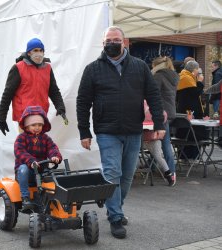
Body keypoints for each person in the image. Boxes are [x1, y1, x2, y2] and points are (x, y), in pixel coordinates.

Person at [76, 26, 165, 239]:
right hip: (107, 130)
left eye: (116, 39)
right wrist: (84, 131)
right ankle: (116, 216)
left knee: (127, 176)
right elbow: (82, 101)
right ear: (103, 43)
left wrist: (159, 124)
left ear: (124, 43)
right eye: (108, 40)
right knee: (112, 172)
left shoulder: (139, 67)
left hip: (134, 129)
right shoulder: (93, 69)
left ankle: (114, 206)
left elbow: (153, 95)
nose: (112, 43)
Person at [0, 38, 66, 135]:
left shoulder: (47, 69)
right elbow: (7, 94)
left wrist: (60, 107)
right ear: (29, 52)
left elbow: (54, 91)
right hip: (24, 117)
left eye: (41, 50)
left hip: (40, 116)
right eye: (36, 50)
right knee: (25, 147)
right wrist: (2, 118)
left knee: (39, 147)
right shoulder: (18, 68)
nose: (39, 53)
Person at [14, 106, 62, 209]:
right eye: (34, 125)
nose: (37, 127)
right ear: (26, 126)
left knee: (55, 175)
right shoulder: (21, 138)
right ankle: (25, 197)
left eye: (40, 125)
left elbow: (52, 148)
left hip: (41, 170)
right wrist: (31, 161)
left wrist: (54, 156)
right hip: (28, 172)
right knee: (23, 169)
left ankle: (54, 199)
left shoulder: (45, 138)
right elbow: (20, 152)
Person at [151, 56, 179, 185]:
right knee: (163, 143)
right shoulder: (174, 76)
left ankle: (171, 173)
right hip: (170, 112)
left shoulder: (158, 76)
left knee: (162, 143)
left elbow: (152, 94)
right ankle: (156, 168)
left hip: (161, 113)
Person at [176, 60, 208, 159]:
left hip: (185, 110)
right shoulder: (187, 78)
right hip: (190, 112)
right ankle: (191, 157)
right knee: (192, 134)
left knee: (186, 132)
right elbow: (194, 93)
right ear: (194, 70)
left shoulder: (183, 76)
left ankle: (185, 157)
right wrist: (199, 82)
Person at [143, 101, 174, 186]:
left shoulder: (141, 104)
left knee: (131, 154)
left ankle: (128, 173)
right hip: (153, 137)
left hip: (142, 138)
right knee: (159, 156)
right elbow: (164, 116)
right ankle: (169, 175)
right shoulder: (156, 106)